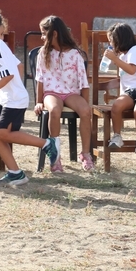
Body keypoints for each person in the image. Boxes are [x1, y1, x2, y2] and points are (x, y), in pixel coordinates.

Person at [0, 8, 59, 187]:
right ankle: (15, 173)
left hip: (13, 99)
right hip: (6, 97)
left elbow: (8, 76)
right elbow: (18, 66)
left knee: (3, 133)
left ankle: (47, 144)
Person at [34, 15, 94, 172]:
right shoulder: (43, 53)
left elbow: (83, 82)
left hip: (71, 93)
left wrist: (85, 104)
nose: (41, 37)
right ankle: (55, 156)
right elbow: (39, 79)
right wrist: (38, 101)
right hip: (51, 93)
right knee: (54, 110)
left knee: (86, 111)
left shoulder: (75, 54)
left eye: (43, 33)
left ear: (54, 34)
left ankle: (86, 154)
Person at [103, 23, 136, 157]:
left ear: (119, 39)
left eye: (111, 40)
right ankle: (116, 136)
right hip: (129, 92)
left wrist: (114, 59)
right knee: (116, 106)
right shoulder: (121, 57)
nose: (110, 43)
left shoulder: (135, 51)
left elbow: (132, 70)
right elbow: (124, 79)